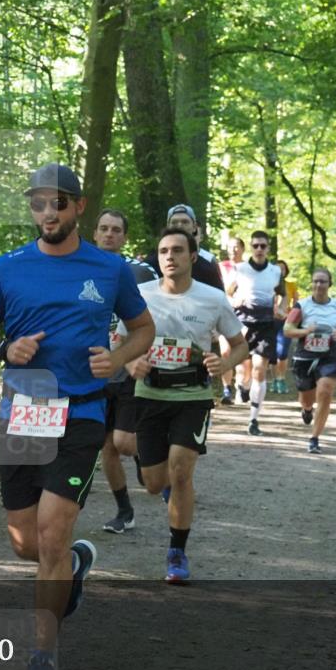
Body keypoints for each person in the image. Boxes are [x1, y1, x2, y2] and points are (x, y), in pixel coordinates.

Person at [0, 163, 154, 670]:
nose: (47, 213)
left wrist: (116, 358)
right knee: (25, 541)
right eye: (38, 205)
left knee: (51, 532)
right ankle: (72, 567)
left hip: (81, 413)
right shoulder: (7, 268)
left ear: (79, 207)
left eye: (58, 204)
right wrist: (5, 349)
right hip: (23, 410)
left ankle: (42, 663)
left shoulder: (110, 268)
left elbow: (143, 329)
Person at [128, 228, 248, 584]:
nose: (169, 257)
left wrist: (224, 365)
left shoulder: (212, 298)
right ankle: (155, 473)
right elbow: (118, 339)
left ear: (192, 257)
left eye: (178, 250)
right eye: (163, 250)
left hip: (192, 395)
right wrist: (129, 363)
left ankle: (177, 551)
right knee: (153, 483)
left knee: (181, 472)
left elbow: (240, 344)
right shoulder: (140, 295)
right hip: (150, 394)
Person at [92, 209, 158, 534]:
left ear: (124, 237)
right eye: (103, 229)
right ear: (94, 234)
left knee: (124, 443)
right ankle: (124, 511)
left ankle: (145, 454)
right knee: (107, 446)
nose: (109, 235)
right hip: (94, 372)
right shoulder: (79, 270)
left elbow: (154, 318)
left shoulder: (140, 273)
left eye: (116, 230)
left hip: (130, 370)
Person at [284, 267, 336, 453]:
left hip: (328, 356)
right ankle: (306, 409)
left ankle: (314, 438)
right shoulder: (302, 306)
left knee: (325, 392)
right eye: (316, 281)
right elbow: (287, 330)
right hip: (304, 357)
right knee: (307, 398)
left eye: (323, 281)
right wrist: (306, 331)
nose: (319, 285)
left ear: (330, 285)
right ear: (311, 284)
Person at [227, 231, 285, 435]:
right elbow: (228, 290)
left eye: (263, 246)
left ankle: (253, 419)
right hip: (243, 323)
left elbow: (282, 295)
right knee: (244, 371)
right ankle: (242, 386)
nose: (259, 249)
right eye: (256, 246)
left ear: (268, 248)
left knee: (259, 369)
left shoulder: (275, 271)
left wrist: (281, 308)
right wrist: (235, 301)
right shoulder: (240, 268)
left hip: (266, 324)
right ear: (251, 248)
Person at [146, 204, 225, 292]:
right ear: (168, 226)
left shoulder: (207, 269)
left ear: (194, 227)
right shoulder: (150, 266)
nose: (179, 225)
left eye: (185, 222)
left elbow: (218, 300)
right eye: (174, 222)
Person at [218, 237, 245, 404]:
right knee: (225, 352)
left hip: (245, 314)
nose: (233, 250)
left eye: (236, 247)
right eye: (230, 247)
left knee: (242, 352)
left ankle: (242, 385)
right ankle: (226, 388)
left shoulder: (248, 268)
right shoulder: (221, 267)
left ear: (242, 248)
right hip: (225, 312)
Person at [271, 259, 299, 393]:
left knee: (282, 351)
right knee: (272, 352)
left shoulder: (291, 285)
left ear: (286, 271)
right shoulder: (267, 284)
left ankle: (281, 379)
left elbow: (296, 304)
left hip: (285, 321)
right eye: (277, 268)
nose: (280, 271)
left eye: (282, 268)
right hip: (270, 321)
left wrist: (291, 315)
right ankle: (274, 379)